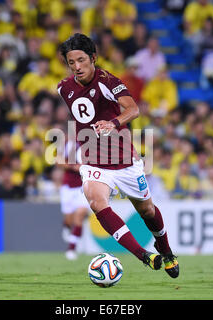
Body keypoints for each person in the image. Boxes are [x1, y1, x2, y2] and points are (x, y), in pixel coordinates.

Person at [57, 33, 179, 278]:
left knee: (147, 211)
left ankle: (165, 251)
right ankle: (143, 256)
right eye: (72, 62)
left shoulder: (108, 81)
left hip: (125, 161)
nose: (77, 67)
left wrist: (113, 122)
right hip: (93, 162)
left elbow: (133, 109)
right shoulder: (64, 88)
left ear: (93, 58)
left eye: (81, 60)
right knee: (96, 201)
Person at [57, 139, 90, 260]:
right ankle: (66, 226)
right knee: (69, 220)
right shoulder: (66, 143)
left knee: (80, 215)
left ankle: (72, 248)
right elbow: (58, 161)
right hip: (68, 187)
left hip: (82, 187)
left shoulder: (90, 143)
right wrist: (74, 167)